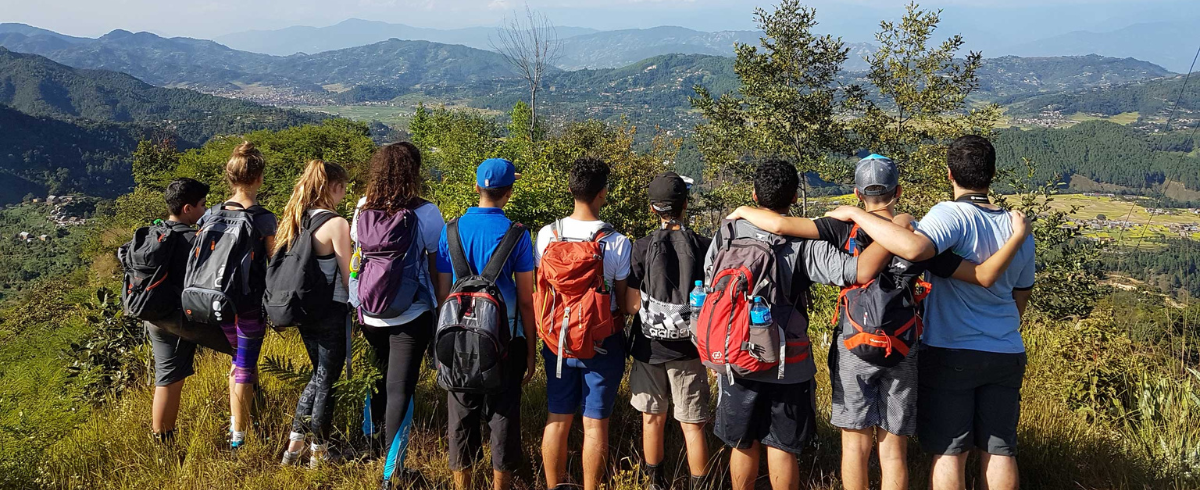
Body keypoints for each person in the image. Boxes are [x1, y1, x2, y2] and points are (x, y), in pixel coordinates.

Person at [727, 154, 1032, 490]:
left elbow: (782, 225)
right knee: (893, 447)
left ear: (857, 194)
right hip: (901, 346)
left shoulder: (840, 227)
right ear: (897, 190)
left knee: (855, 445)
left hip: (853, 344)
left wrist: (744, 211)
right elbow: (980, 274)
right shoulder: (917, 237)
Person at [825, 136, 1036, 490]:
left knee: (950, 452)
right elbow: (1021, 294)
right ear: (992, 174)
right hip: (1006, 350)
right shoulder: (1020, 230)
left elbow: (913, 247)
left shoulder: (950, 215)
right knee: (1000, 451)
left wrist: (856, 214)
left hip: (952, 348)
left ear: (950, 174)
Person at [705, 159, 891, 490]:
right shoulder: (805, 241)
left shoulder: (728, 231)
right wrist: (896, 231)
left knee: (743, 442)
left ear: (753, 194)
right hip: (786, 360)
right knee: (782, 444)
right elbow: (857, 271)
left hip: (734, 354)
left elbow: (711, 285)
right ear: (794, 198)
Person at [434, 158, 538, 490]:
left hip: (458, 339)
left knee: (461, 416)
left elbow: (443, 293)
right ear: (508, 192)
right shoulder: (518, 235)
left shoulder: (450, 230)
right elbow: (526, 299)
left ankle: (461, 484)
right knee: (503, 415)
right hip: (505, 339)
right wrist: (532, 351)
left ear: (477, 187)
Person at [350, 142, 446, 489]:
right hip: (412, 312)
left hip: (370, 312)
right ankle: (393, 472)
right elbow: (438, 270)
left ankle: (370, 443)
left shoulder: (362, 208)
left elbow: (358, 259)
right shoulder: (426, 213)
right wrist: (440, 310)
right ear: (414, 173)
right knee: (400, 389)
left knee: (375, 379)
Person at [536, 157, 632, 490]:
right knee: (595, 426)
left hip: (557, 341)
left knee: (557, 419)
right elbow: (622, 301)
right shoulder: (616, 242)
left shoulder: (547, 235)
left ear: (570, 189)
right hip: (601, 342)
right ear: (603, 193)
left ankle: (555, 485)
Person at [621, 172, 711, 490]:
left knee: (652, 418)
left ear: (652, 209)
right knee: (693, 425)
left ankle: (655, 483)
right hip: (689, 349)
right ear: (685, 205)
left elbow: (632, 306)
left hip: (649, 347)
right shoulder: (704, 246)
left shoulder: (642, 247)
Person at [276, 161, 353, 468]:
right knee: (328, 381)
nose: (344, 195)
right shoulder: (336, 224)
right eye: (344, 188)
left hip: (303, 310)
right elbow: (349, 277)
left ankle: (294, 446)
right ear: (333, 187)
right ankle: (319, 453)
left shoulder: (295, 217)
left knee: (318, 376)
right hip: (331, 311)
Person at [202, 142, 277, 451]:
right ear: (258, 178)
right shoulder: (263, 218)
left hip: (215, 301)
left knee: (241, 360)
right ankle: (239, 435)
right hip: (248, 304)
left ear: (229, 177)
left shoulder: (211, 213)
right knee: (243, 366)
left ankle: (253, 416)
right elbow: (275, 260)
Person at [147, 178, 209, 444]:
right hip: (181, 318)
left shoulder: (154, 232)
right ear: (187, 209)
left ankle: (163, 444)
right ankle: (248, 424)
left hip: (154, 316)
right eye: (202, 205)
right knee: (241, 351)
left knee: (168, 379)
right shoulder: (191, 240)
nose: (205, 210)